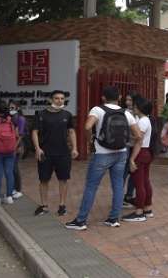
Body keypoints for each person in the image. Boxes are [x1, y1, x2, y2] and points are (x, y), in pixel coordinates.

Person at [65, 86, 140, 230]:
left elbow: (87, 127)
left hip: (102, 154)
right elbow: (138, 135)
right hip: (121, 153)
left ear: (103, 98)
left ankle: (81, 221)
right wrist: (123, 140)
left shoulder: (97, 109)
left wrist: (90, 140)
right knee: (118, 186)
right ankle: (113, 219)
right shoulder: (126, 113)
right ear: (119, 98)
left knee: (91, 186)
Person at [32, 91, 78, 216]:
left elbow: (72, 132)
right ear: (50, 99)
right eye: (57, 98)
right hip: (45, 153)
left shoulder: (67, 115)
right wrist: (37, 148)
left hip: (63, 153)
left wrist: (74, 148)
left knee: (63, 179)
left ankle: (62, 205)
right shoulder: (41, 114)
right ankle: (44, 206)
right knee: (43, 180)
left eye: (62, 98)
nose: (59, 100)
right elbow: (34, 132)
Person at [122, 97, 156, 222]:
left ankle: (139, 212)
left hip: (140, 152)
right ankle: (147, 208)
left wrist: (132, 159)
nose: (133, 108)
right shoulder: (146, 120)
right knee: (145, 181)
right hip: (146, 152)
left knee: (139, 183)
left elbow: (138, 141)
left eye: (135, 106)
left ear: (139, 108)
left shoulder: (142, 122)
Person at [0, 104, 21, 205]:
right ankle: (9, 197)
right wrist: (14, 146)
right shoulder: (13, 121)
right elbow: (17, 136)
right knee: (9, 173)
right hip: (10, 151)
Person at [8, 101, 27, 195]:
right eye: (9, 108)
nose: (10, 110)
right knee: (11, 168)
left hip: (17, 146)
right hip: (11, 145)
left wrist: (15, 146)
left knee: (15, 168)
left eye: (12, 108)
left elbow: (20, 135)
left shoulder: (21, 119)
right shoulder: (11, 118)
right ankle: (13, 189)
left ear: (18, 108)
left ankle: (18, 189)